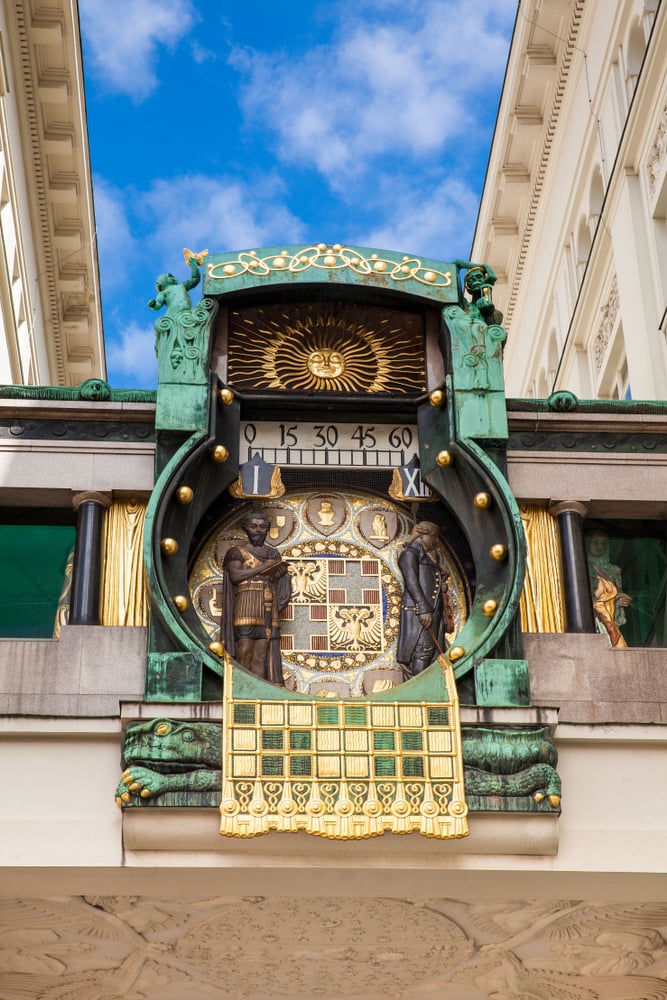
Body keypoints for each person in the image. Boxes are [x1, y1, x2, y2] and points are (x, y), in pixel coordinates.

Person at [220, 513, 291, 683]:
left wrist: (280, 575)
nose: (258, 531)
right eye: (253, 527)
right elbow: (235, 575)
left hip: (267, 603)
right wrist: (263, 567)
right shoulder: (236, 552)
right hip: (246, 603)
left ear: (267, 529)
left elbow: (278, 579)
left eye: (262, 527)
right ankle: (242, 687)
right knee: (244, 650)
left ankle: (258, 691)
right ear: (246, 528)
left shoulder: (273, 554)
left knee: (262, 654)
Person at [396, 522, 455, 676]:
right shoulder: (409, 554)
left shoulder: (426, 555)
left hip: (432, 610)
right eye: (433, 536)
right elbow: (412, 582)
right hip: (421, 611)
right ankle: (419, 687)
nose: (436, 541)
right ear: (422, 535)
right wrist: (422, 607)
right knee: (423, 649)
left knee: (434, 652)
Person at [586, 531, 631, 648]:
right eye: (595, 542)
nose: (600, 547)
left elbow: (618, 592)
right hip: (590, 618)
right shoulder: (581, 567)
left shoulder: (614, 570)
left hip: (611, 617)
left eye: (603, 543)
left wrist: (622, 599)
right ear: (587, 544)